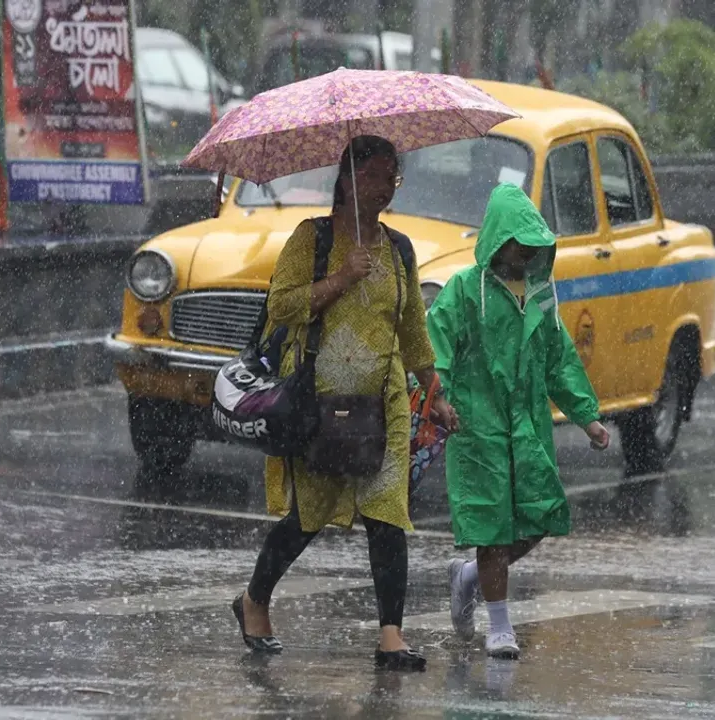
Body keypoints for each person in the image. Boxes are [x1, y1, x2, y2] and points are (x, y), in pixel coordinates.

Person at [232, 135, 459, 672]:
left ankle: (390, 636)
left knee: (387, 515)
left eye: (393, 178)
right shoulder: (311, 240)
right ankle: (254, 601)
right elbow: (282, 308)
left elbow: (412, 330)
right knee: (307, 517)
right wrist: (339, 279)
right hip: (319, 403)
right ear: (350, 178)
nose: (387, 189)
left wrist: (435, 392)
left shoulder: (399, 249)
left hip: (384, 405)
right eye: (379, 177)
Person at [426, 182, 610, 660]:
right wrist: (439, 395)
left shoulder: (541, 294)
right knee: (491, 527)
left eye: (533, 243)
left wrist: (587, 418)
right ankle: (499, 626)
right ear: (498, 239)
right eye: (518, 241)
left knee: (540, 515)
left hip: (527, 428)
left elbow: (559, 359)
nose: (526, 251)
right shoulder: (465, 291)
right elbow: (436, 344)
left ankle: (469, 576)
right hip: (479, 427)